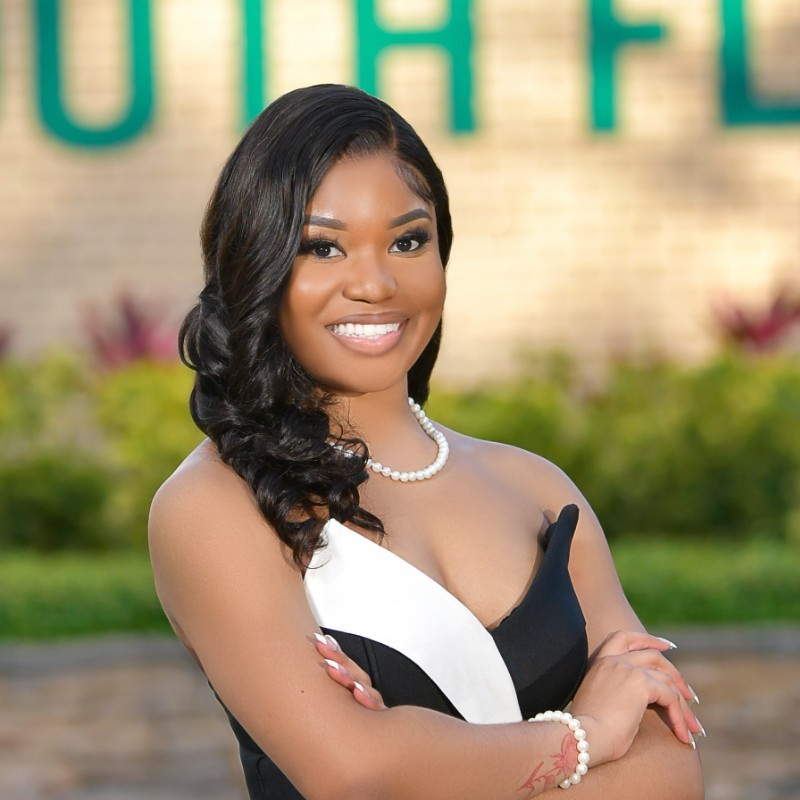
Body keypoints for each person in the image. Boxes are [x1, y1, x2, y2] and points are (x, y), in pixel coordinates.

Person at [149, 83, 705, 799]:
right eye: (323, 248)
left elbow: (669, 770)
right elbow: (354, 772)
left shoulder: (535, 488)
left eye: (409, 240)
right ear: (257, 263)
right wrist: (586, 734)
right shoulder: (214, 508)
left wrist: (432, 760)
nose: (376, 283)